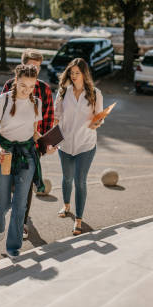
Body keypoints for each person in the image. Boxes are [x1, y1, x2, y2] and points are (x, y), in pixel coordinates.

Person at [0, 64, 56, 259]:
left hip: (27, 154)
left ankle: (13, 247)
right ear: (15, 81)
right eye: (23, 85)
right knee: (2, 203)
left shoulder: (37, 103)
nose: (27, 90)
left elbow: (35, 133)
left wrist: (46, 145)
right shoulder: (3, 100)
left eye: (31, 86)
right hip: (6, 153)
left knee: (20, 204)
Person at [1, 49, 54, 240]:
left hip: (32, 145)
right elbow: (2, 115)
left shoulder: (44, 89)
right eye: (32, 66)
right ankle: (12, 209)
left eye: (39, 67)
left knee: (26, 184)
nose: (36, 70)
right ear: (22, 66)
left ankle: (22, 222)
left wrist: (45, 145)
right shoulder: (9, 85)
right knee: (10, 184)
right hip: (9, 143)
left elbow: (48, 120)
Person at [54, 58, 103, 235]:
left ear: (84, 74)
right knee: (67, 178)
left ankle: (79, 219)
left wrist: (96, 124)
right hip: (65, 145)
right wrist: (51, 142)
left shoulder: (95, 93)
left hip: (86, 145)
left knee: (80, 181)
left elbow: (99, 117)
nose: (74, 76)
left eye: (77, 73)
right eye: (71, 73)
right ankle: (66, 205)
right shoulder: (62, 93)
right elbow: (56, 119)